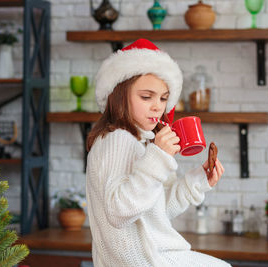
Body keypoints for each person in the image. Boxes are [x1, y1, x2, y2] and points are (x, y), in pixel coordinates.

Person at [86, 38, 230, 267]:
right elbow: (118, 212)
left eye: (163, 98)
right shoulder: (117, 139)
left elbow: (158, 212)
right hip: (146, 261)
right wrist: (159, 157)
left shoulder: (139, 142)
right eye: (146, 97)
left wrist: (197, 181)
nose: (157, 106)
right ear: (119, 95)